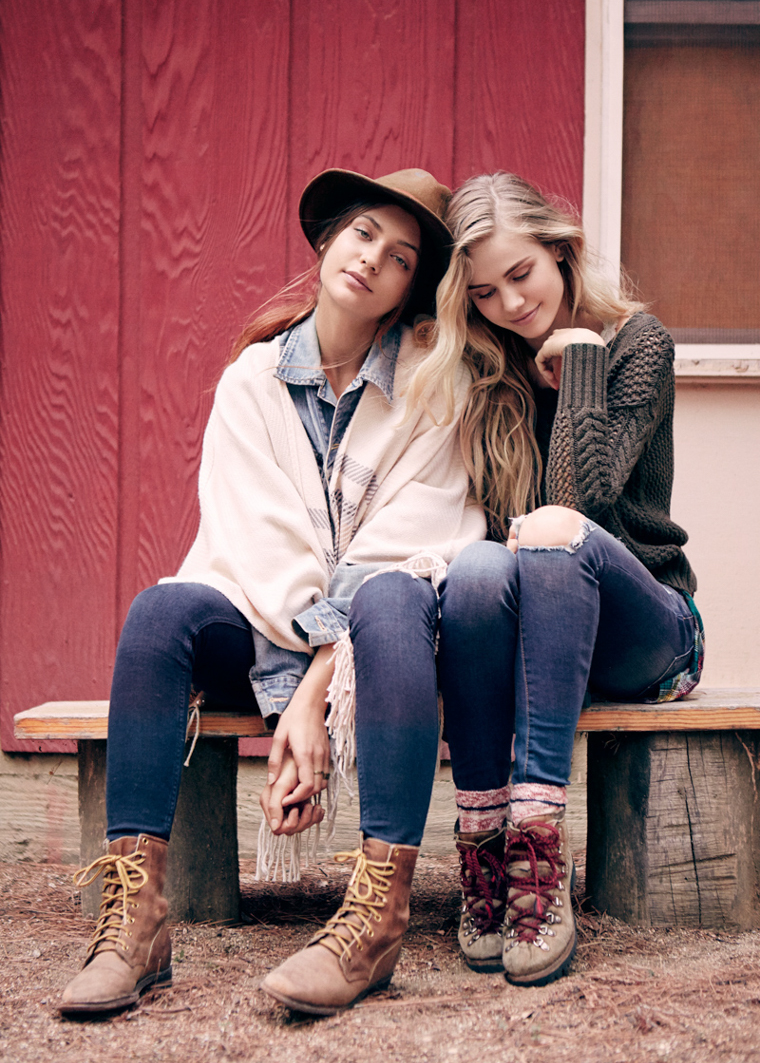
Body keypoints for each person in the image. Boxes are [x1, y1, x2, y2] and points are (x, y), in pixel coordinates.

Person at [59, 167, 485, 1018]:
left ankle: (376, 921)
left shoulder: (435, 390)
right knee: (160, 611)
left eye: (401, 257)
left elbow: (408, 545)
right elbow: (260, 546)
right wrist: (294, 696)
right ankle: (136, 923)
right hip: (262, 619)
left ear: (412, 289)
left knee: (391, 599)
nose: (373, 260)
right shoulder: (252, 381)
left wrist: (315, 695)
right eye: (363, 233)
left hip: (383, 647)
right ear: (328, 240)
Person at [406, 171, 704, 987]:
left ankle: (537, 845)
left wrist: (578, 362)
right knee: (477, 570)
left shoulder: (638, 344)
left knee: (551, 534)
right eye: (483, 293)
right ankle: (484, 847)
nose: (509, 303)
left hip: (649, 630)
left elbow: (583, 504)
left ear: (561, 252)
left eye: (521, 274)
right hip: (543, 643)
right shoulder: (488, 370)